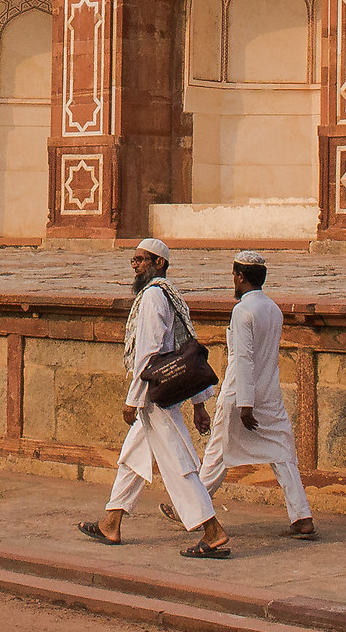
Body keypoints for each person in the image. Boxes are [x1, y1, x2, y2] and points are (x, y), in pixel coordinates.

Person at [78, 238, 233, 558]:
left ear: (159, 263)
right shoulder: (169, 295)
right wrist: (199, 403)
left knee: (178, 463)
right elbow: (185, 348)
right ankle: (111, 522)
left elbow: (149, 354)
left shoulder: (152, 296)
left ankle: (213, 530)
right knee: (133, 458)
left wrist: (132, 399)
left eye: (141, 260)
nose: (135, 266)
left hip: (155, 396)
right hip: (161, 393)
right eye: (133, 261)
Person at [197, 249, 316, 538]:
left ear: (240, 277)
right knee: (283, 454)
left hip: (240, 395)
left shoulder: (242, 311)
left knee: (217, 453)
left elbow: (244, 358)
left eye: (233, 276)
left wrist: (245, 404)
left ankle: (193, 508)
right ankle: (301, 515)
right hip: (269, 395)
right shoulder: (273, 308)